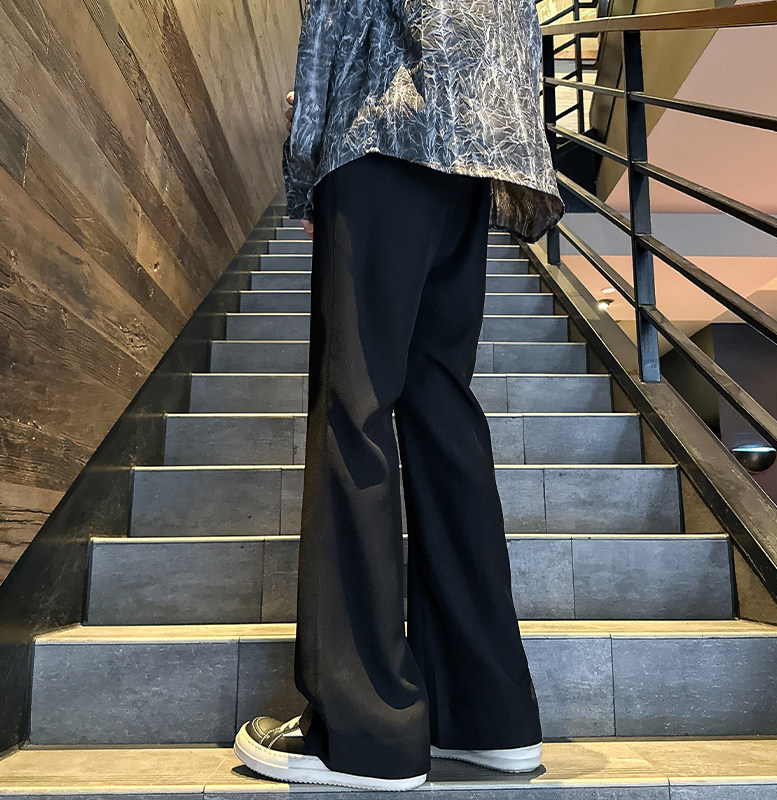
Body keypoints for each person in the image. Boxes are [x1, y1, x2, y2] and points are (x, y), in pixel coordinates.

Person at [233, 0, 564, 791]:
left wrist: (307, 164)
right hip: (473, 152)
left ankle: (366, 732)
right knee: (442, 413)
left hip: (381, 135)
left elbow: (340, 19)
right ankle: (487, 715)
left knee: (355, 410)